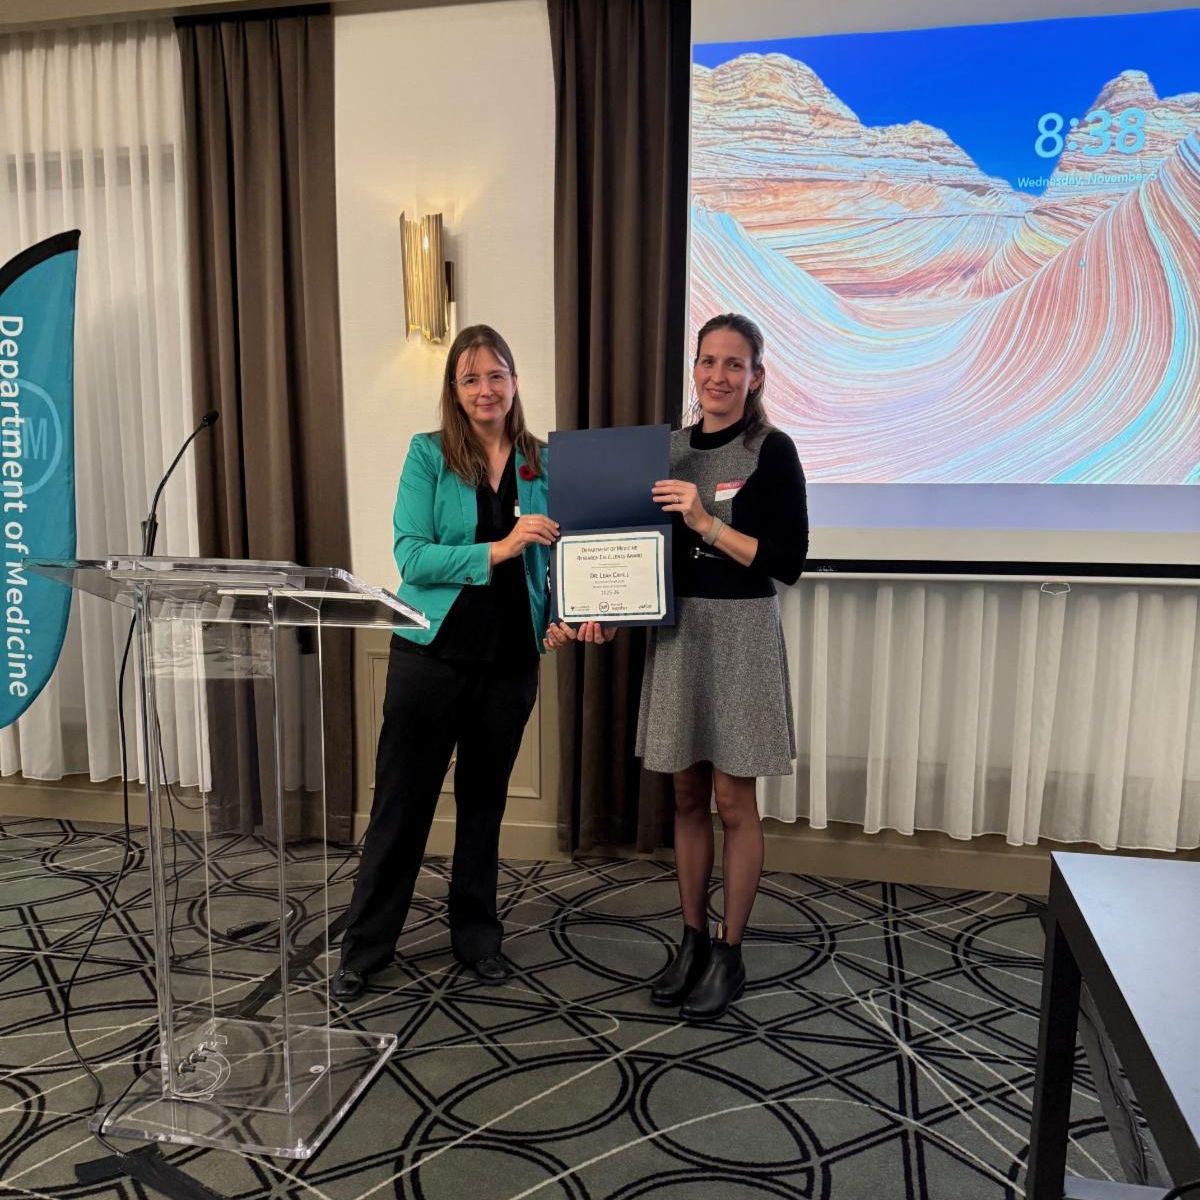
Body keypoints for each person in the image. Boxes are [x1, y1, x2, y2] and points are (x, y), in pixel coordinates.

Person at [333, 325, 599, 1000]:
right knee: (401, 806)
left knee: (485, 806)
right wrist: (501, 548)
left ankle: (478, 938)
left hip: (510, 660)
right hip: (431, 655)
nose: (486, 389)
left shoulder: (542, 461)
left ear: (515, 382)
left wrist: (563, 615)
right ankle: (365, 949)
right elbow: (412, 556)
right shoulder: (429, 455)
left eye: (496, 375)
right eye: (471, 377)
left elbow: (566, 557)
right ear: (454, 390)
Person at [636, 312, 808, 1020]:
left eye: (735, 364)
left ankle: (730, 953)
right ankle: (692, 939)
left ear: (755, 377)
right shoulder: (667, 451)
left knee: (734, 802)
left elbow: (786, 561)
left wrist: (707, 522)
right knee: (684, 795)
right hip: (679, 632)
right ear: (695, 370)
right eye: (709, 361)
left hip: (740, 635)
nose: (718, 375)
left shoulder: (772, 450)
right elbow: (631, 545)